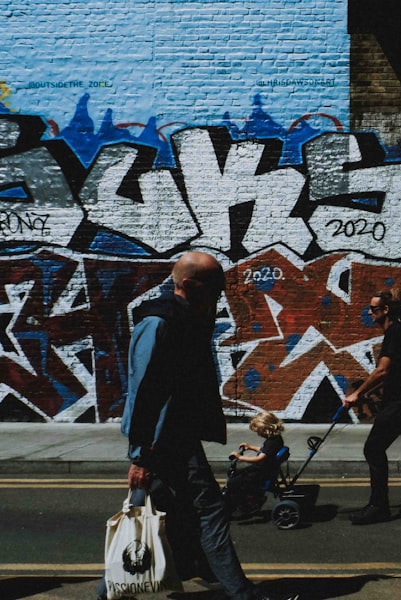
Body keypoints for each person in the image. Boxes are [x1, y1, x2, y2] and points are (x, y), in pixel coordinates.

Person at [97, 251, 272, 600]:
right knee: (208, 508)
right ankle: (240, 592)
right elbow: (145, 392)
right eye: (216, 285)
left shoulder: (189, 317)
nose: (222, 293)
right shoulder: (159, 323)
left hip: (176, 435)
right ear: (190, 285)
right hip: (162, 441)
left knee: (155, 511)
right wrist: (140, 457)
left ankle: (119, 588)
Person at [342, 288, 401, 525]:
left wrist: (357, 393)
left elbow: (382, 370)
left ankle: (378, 507)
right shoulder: (397, 333)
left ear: (385, 310)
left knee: (373, 449)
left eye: (373, 308)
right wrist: (365, 394)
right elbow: (391, 375)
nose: (369, 311)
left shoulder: (395, 333)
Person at [223, 411, 286, 511]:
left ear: (266, 429)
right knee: (237, 475)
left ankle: (244, 504)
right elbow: (264, 451)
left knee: (233, 482)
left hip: (261, 472)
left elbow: (259, 458)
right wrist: (250, 447)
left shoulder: (271, 442)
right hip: (264, 469)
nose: (257, 433)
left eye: (258, 431)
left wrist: (240, 457)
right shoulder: (276, 439)